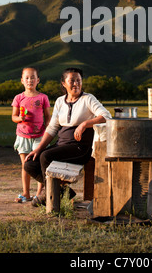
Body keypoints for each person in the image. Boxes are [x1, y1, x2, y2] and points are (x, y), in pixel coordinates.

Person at [24, 67, 111, 206]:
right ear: (64, 83)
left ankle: (51, 197)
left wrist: (85, 124)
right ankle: (63, 192)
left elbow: (106, 116)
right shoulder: (59, 101)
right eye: (72, 81)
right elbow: (52, 128)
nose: (76, 84)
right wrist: (38, 149)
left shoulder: (87, 99)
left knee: (46, 157)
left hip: (79, 148)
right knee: (30, 164)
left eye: (79, 80)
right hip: (61, 145)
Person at [12, 67, 51, 203]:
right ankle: (26, 193)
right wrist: (21, 118)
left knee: (39, 164)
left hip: (39, 136)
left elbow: (47, 116)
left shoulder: (43, 97)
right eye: (27, 78)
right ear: (22, 81)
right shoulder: (19, 98)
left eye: (33, 77)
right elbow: (14, 117)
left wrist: (48, 131)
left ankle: (39, 194)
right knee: (25, 165)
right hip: (22, 136)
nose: (30, 80)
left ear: (38, 80)